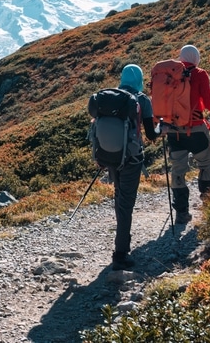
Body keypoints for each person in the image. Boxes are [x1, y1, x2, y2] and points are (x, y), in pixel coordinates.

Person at [88, 63, 153, 270]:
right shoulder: (142, 100)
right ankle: (120, 253)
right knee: (126, 202)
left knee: (120, 197)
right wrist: (163, 129)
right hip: (132, 158)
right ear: (139, 79)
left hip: (111, 156)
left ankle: (122, 239)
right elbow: (151, 134)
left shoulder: (110, 99)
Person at [161, 45, 210, 225]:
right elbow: (209, 100)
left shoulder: (169, 74)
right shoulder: (199, 74)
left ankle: (182, 213)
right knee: (206, 165)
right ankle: (209, 205)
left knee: (178, 170)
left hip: (174, 131)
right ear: (196, 58)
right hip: (197, 129)